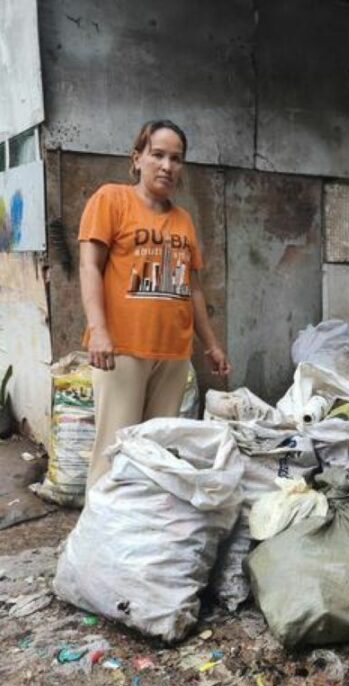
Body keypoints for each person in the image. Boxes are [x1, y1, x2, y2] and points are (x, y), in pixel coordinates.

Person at [78, 119, 231, 485]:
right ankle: (99, 533)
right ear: (137, 158)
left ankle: (143, 535)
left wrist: (210, 344)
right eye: (158, 154)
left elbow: (192, 287)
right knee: (115, 450)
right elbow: (89, 266)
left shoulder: (183, 220)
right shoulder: (111, 199)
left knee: (155, 452)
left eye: (176, 159)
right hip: (123, 350)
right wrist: (98, 329)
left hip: (173, 354)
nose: (167, 166)